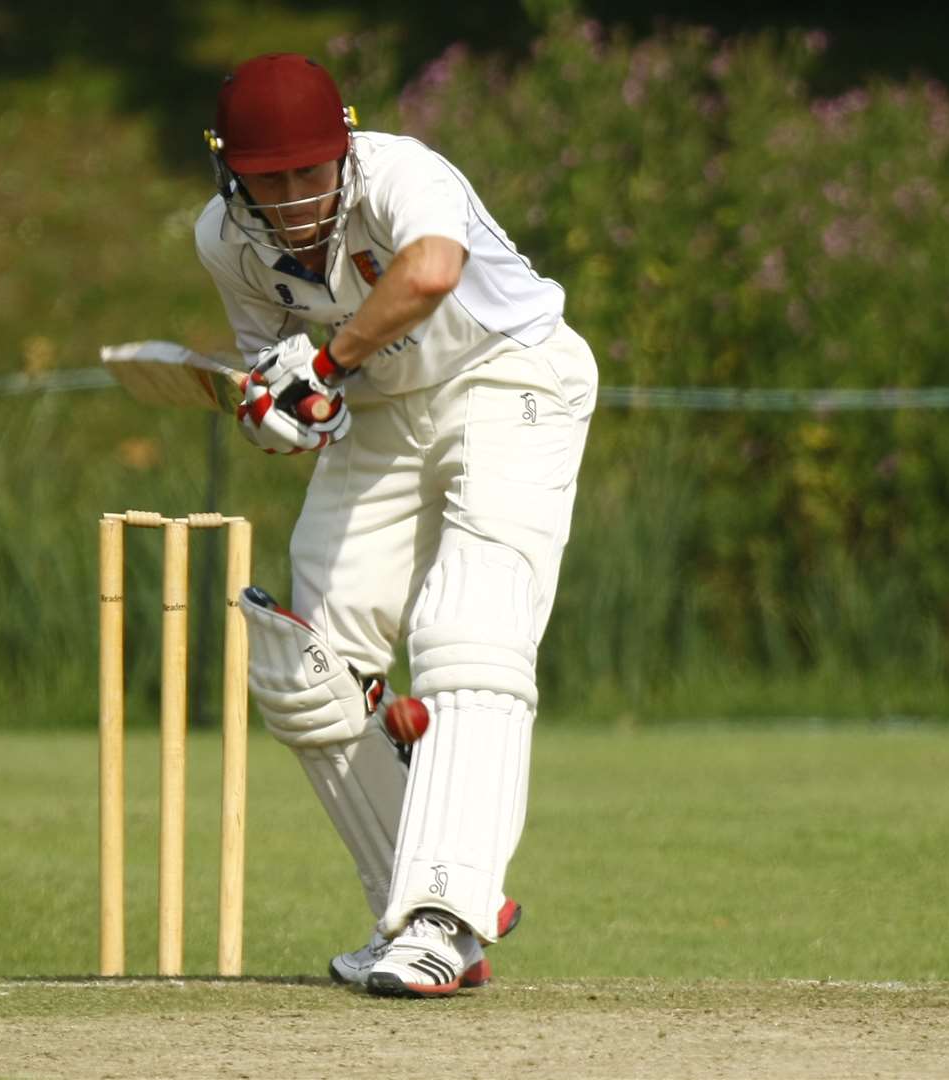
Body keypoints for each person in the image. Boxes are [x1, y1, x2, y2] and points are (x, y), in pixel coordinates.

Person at [194, 52, 597, 997]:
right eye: (268, 178)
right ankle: (409, 910)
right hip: (383, 413)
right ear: (229, 172)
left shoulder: (401, 171)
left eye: (308, 170)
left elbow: (429, 271)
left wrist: (326, 370)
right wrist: (288, 411)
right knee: (306, 671)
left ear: (343, 144)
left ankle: (443, 912)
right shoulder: (223, 240)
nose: (294, 196)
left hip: (512, 377)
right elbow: (287, 373)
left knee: (470, 631)